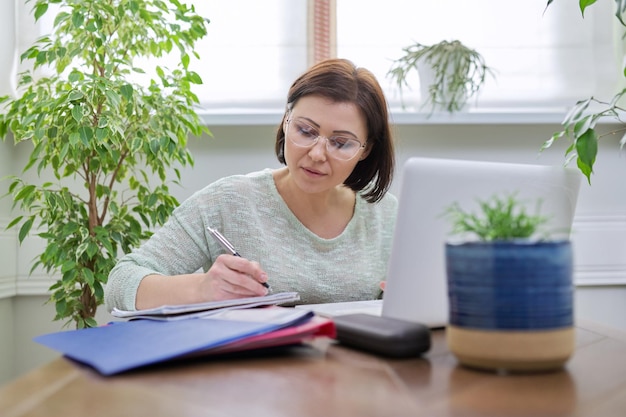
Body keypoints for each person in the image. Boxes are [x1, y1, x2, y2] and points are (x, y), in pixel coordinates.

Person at [105, 58, 397, 312]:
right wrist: (201, 289)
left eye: (340, 143)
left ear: (366, 149)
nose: (317, 154)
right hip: (252, 372)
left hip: (355, 372)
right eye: (305, 131)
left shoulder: (387, 215)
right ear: (285, 122)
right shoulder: (227, 201)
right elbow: (120, 284)